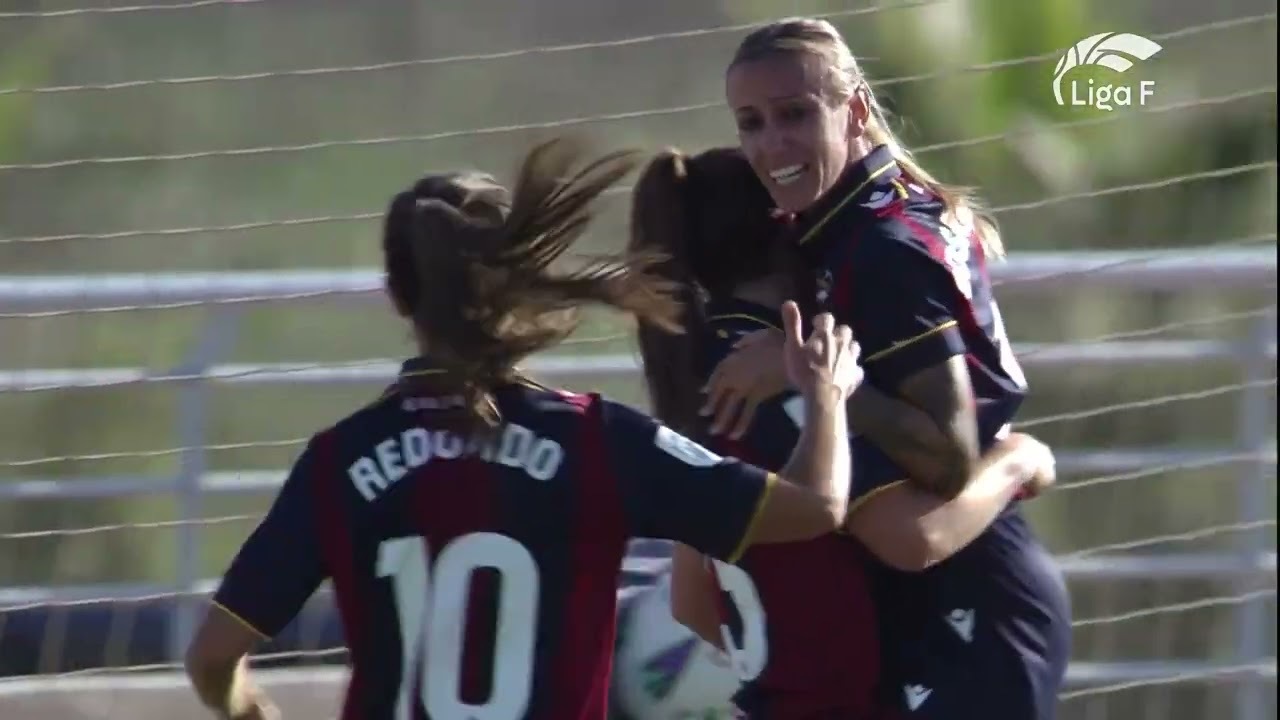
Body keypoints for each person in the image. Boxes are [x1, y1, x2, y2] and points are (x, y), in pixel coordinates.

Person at [182, 137, 866, 720]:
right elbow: (816, 508)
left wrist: (248, 710)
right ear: (523, 283)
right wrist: (827, 394)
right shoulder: (598, 441)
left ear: (396, 296)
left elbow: (213, 656)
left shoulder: (339, 461)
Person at [701, 19, 1073, 720]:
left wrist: (806, 373)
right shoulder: (842, 221)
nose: (770, 143)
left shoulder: (881, 250)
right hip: (951, 584)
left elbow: (950, 456)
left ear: (857, 109)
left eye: (795, 114)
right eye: (750, 122)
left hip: (974, 599)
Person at [628, 145, 1058, 719]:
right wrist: (1015, 459)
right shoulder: (797, 384)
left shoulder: (705, 383)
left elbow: (692, 604)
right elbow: (911, 539)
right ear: (790, 229)